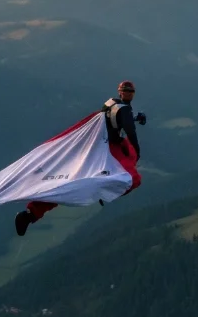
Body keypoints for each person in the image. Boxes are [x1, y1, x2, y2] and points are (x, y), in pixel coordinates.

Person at [11, 80, 147, 236]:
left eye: (130, 91)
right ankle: (106, 191)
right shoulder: (123, 111)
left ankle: (30, 214)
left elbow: (116, 116)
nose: (129, 93)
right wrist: (137, 151)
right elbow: (129, 128)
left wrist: (136, 117)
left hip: (92, 148)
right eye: (128, 91)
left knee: (67, 181)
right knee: (132, 178)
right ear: (124, 92)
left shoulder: (111, 103)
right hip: (107, 152)